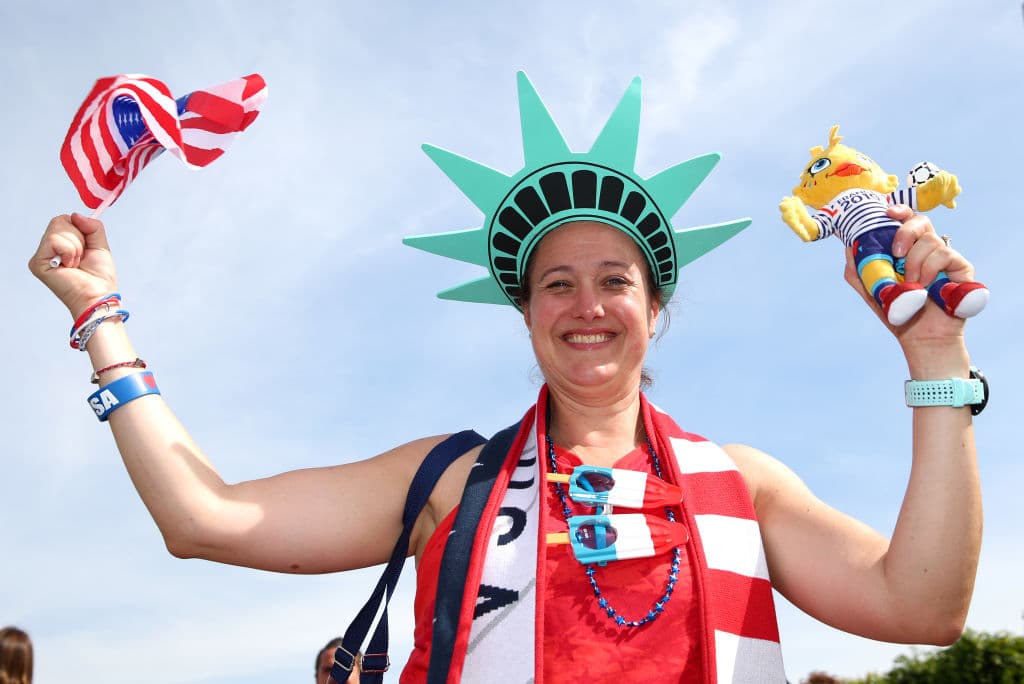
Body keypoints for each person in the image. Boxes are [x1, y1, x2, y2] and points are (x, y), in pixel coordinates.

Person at [28, 73, 983, 683]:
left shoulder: (745, 485)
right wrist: (100, 318)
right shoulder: (446, 480)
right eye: (555, 284)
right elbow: (205, 520)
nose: (587, 306)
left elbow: (924, 606)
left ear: (655, 310)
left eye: (616, 281)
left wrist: (936, 360)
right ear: (525, 314)